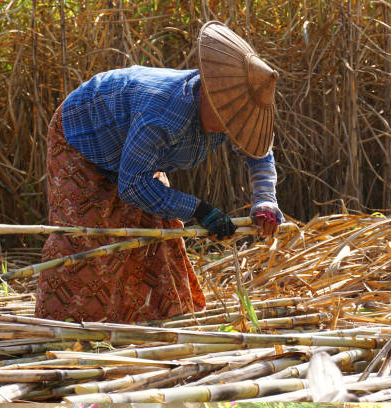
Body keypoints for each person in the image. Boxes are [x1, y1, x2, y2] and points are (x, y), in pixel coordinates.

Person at [35, 21, 284, 324]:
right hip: (82, 138)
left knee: (159, 235)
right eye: (228, 119)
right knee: (87, 241)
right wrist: (200, 209)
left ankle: (153, 323)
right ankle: (65, 328)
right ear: (209, 93)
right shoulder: (165, 113)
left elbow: (258, 154)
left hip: (137, 155)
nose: (232, 128)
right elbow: (133, 185)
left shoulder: (231, 113)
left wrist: (265, 201)